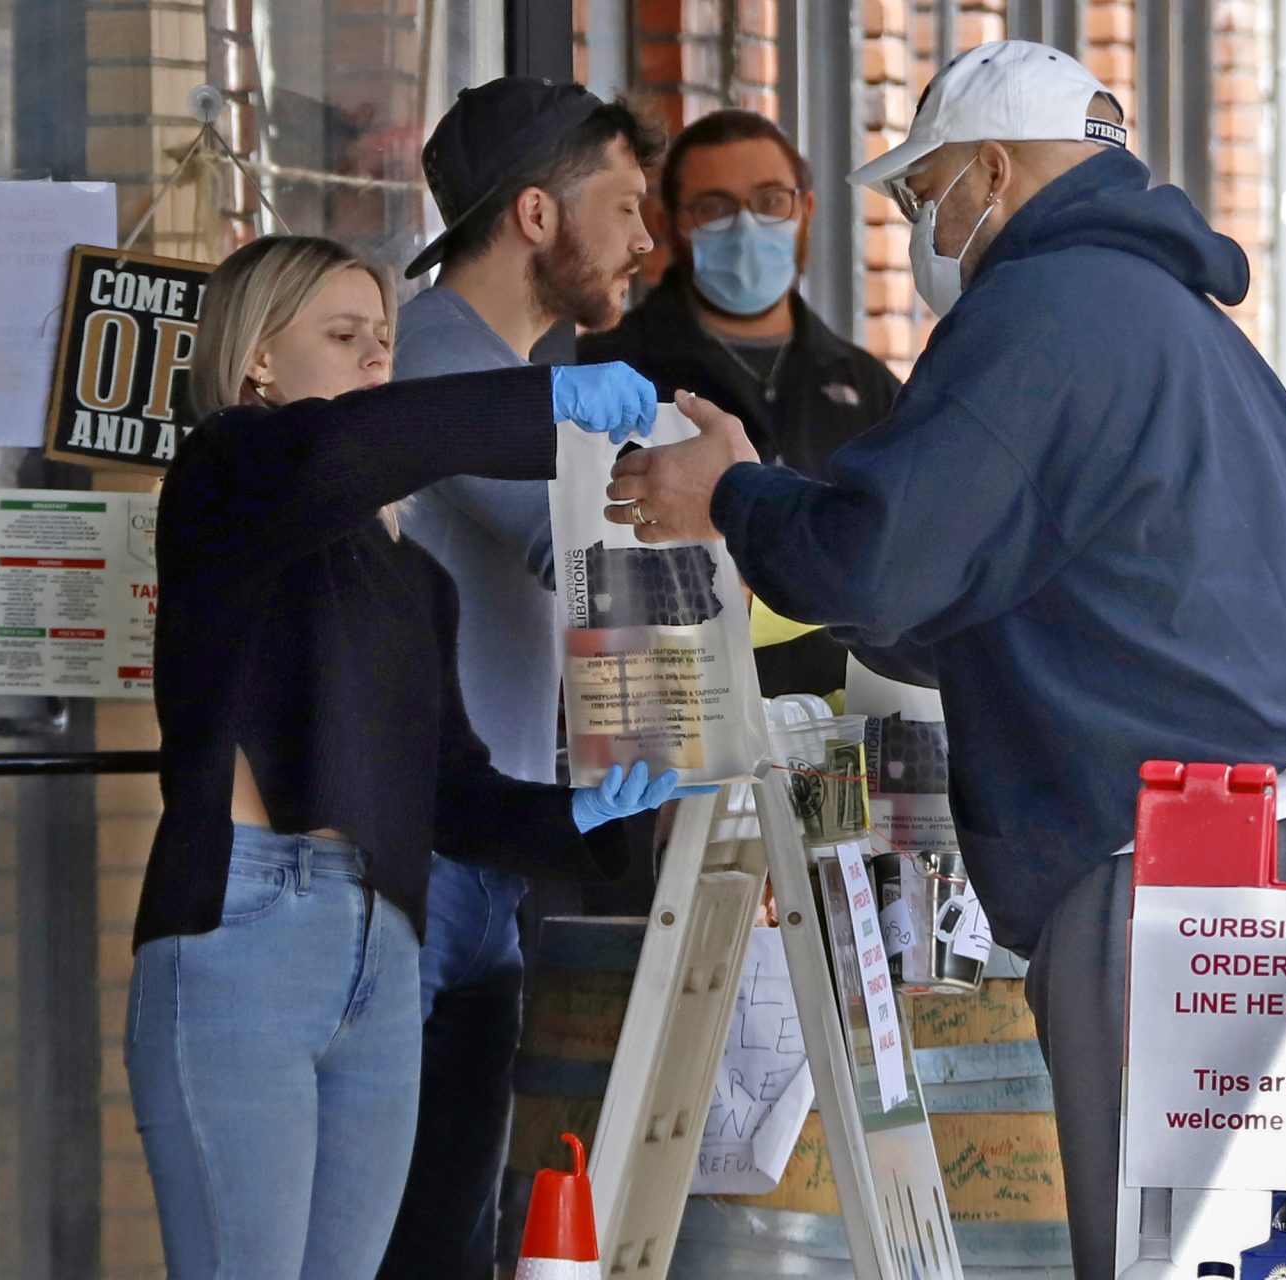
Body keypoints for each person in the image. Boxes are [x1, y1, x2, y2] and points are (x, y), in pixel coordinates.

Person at [603, 41, 1286, 1280]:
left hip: (1189, 854)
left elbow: (879, 563)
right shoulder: (1172, 319)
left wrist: (732, 494)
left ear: (993, 170)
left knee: (1169, 1248)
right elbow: (961, 594)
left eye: (923, 194)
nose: (921, 226)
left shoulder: (1043, 310)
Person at [127, 234, 691, 1279]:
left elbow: (452, 791)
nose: (375, 360)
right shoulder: (220, 471)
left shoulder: (412, 577)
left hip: (382, 938)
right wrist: (542, 402)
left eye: (384, 342)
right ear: (256, 359)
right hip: (243, 923)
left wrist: (582, 815)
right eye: (344, 337)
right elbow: (344, 451)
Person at [375, 79, 663, 1280]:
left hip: (478, 845)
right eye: (626, 205)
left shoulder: (505, 371)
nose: (648, 240)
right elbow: (590, 555)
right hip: (419, 862)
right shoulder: (439, 360)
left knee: (451, 1222)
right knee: (420, 1233)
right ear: (537, 214)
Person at [580, 108, 901, 699]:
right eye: (715, 207)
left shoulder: (867, 386)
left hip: (834, 739)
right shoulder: (608, 373)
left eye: (770, 200)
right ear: (671, 224)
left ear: (805, 211)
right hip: (675, 724)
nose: (747, 226)